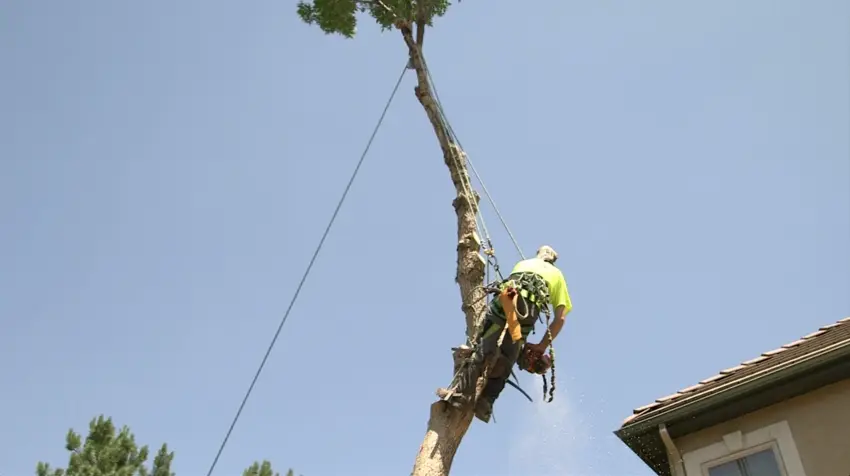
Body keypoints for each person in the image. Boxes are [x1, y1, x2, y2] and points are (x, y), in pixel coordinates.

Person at [473, 245, 573, 423]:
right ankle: (485, 402)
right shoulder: (557, 275)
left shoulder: (523, 263)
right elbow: (560, 319)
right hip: (524, 310)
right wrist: (541, 346)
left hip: (504, 300)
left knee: (481, 351)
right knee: (506, 358)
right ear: (553, 261)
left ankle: (462, 393)